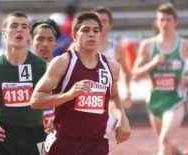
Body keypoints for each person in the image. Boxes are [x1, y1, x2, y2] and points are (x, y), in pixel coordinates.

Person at [30, 11, 131, 155]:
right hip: (64, 144)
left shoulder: (112, 67)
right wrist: (68, 95)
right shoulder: (63, 62)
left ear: (100, 35)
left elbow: (113, 97)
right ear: (74, 35)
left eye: (96, 31)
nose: (91, 34)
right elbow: (35, 100)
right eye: (85, 30)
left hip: (96, 144)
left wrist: (123, 118)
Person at [132, 3, 188, 155]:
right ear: (157, 22)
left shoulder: (186, 46)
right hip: (155, 101)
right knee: (165, 142)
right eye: (161, 20)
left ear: (175, 22)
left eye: (168, 20)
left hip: (175, 100)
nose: (164, 23)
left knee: (164, 141)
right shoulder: (148, 45)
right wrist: (153, 63)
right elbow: (135, 74)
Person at [0, 11, 47, 155]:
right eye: (14, 26)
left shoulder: (44, 67)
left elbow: (58, 100)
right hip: (3, 137)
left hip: (35, 136)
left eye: (24, 27)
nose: (19, 29)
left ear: (29, 34)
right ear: (4, 33)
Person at [92, 6, 132, 134]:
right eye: (97, 20)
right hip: (85, 99)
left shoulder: (117, 49)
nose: (100, 24)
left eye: (103, 20)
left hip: (108, 101)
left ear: (110, 25)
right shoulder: (78, 47)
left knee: (100, 135)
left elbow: (125, 71)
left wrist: (127, 91)